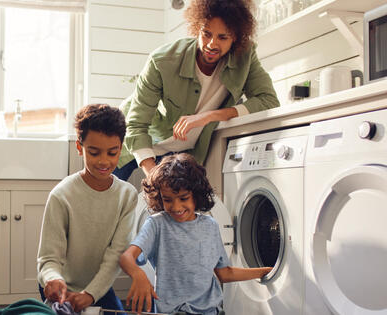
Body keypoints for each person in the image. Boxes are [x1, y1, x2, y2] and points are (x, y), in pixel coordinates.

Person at [114, 0, 279, 181]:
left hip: (183, 151)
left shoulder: (245, 58)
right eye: (206, 34)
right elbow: (136, 125)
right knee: (106, 196)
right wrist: (154, 176)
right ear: (196, 27)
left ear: (236, 38)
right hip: (133, 139)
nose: (211, 44)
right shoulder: (162, 61)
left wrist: (209, 116)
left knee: (175, 205)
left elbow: (268, 100)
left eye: (222, 37)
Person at [119, 153, 272, 314]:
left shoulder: (210, 226)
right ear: (159, 197)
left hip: (210, 311)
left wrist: (263, 272)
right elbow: (126, 257)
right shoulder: (157, 224)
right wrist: (139, 276)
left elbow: (225, 273)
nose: (176, 207)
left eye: (183, 198)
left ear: (196, 194)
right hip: (172, 311)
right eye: (168, 199)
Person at [37, 103, 138, 313]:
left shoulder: (127, 196)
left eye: (112, 153)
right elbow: (48, 259)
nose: (103, 161)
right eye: (94, 152)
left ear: (121, 147)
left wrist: (90, 294)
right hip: (60, 287)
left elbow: (116, 254)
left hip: (98, 288)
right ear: (79, 147)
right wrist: (52, 279)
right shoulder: (61, 195)